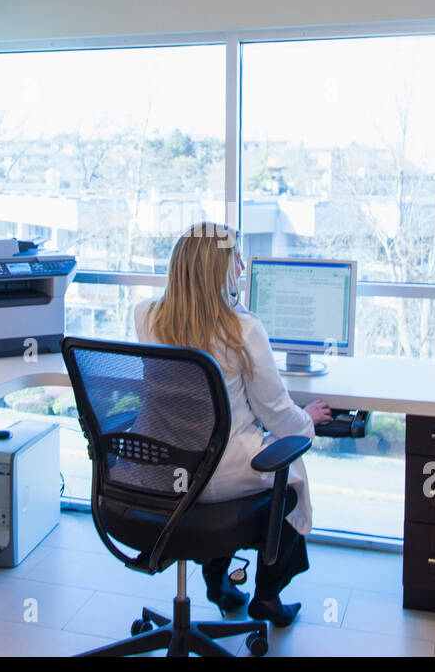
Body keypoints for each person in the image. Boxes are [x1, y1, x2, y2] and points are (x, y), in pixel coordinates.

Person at [133, 223, 333, 627]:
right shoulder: (242, 330)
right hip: (219, 475)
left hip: (159, 471)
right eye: (235, 259)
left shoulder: (146, 316)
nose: (242, 266)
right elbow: (276, 412)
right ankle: (267, 596)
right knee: (291, 475)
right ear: (219, 270)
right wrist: (306, 421)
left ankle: (217, 580)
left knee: (253, 475)